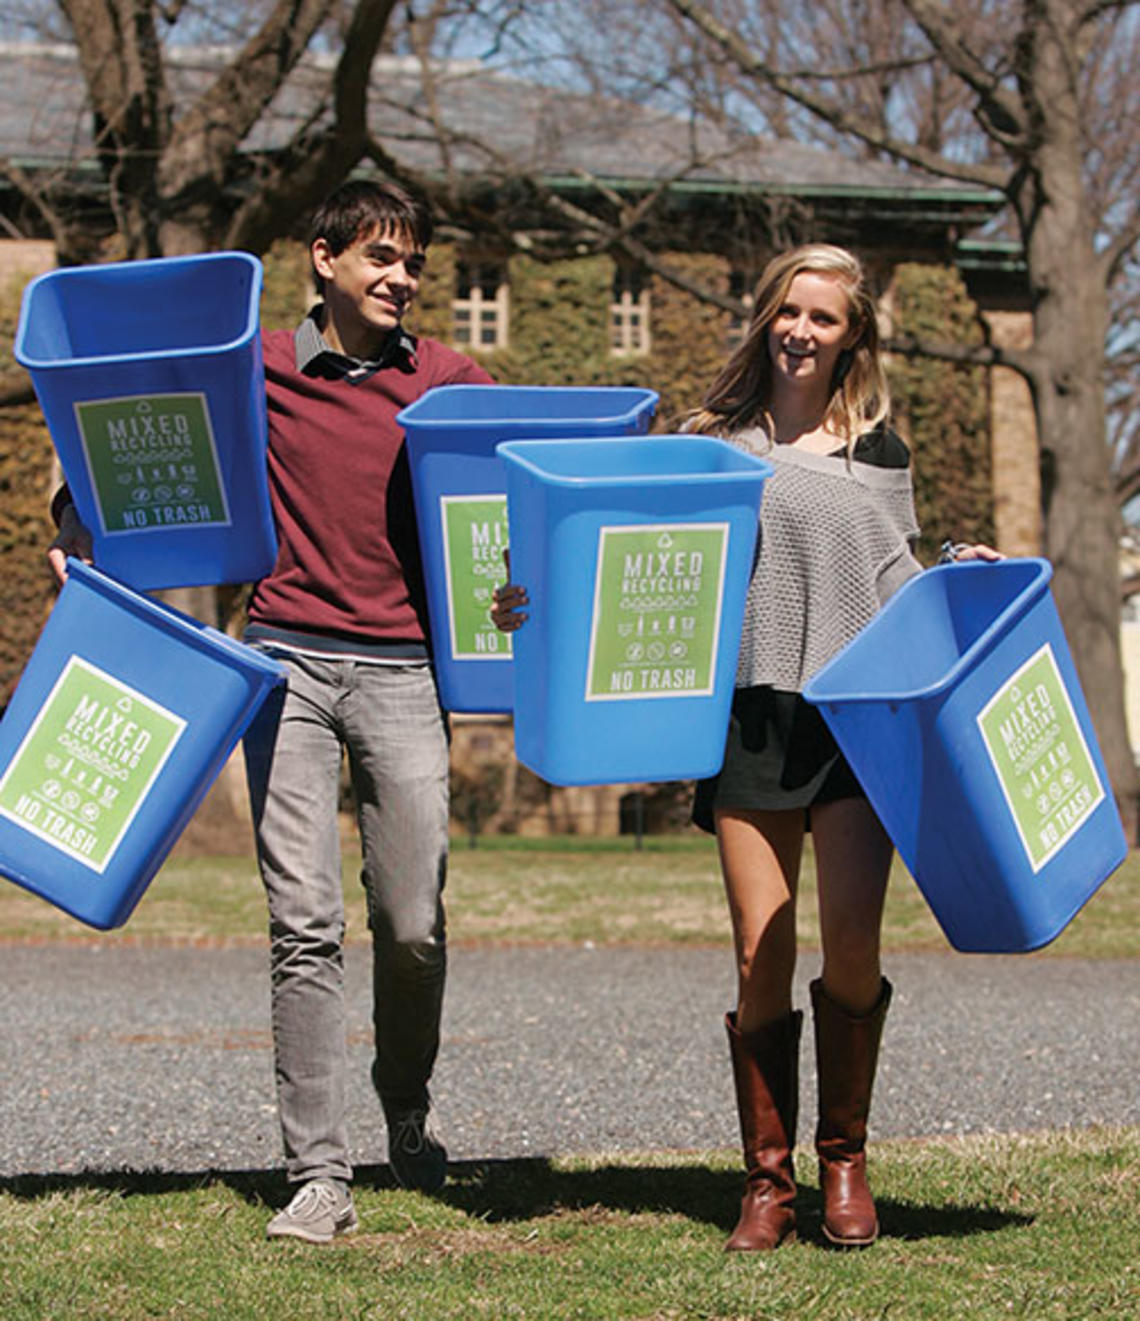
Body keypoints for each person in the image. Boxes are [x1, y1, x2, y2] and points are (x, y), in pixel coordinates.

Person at [492, 242, 999, 1252]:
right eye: (790, 312)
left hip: (858, 716)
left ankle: (842, 1161)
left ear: (851, 336)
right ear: (766, 316)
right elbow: (625, 555)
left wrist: (952, 569)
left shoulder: (880, 450)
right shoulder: (708, 443)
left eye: (825, 318)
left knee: (853, 943)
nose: (802, 332)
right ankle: (766, 1184)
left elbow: (891, 579)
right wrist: (529, 599)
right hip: (748, 719)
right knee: (760, 951)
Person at [48, 179, 494, 1244]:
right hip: (284, 661)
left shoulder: (449, 379)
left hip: (404, 671)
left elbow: (505, 497)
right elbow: (140, 431)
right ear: (323, 261)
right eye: (382, 258)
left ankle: (406, 1104)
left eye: (416, 263)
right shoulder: (258, 367)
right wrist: (77, 519)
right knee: (303, 923)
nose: (401, 278)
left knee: (414, 924)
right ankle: (319, 1174)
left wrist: (513, 588)